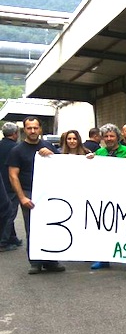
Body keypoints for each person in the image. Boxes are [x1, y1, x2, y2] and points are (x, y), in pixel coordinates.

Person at [6, 116, 67, 274]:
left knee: (51, 226)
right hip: (29, 192)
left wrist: (52, 155)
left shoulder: (49, 146)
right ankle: (35, 262)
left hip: (49, 192)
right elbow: (13, 175)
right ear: (24, 130)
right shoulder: (17, 150)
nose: (32, 131)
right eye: (29, 128)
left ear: (40, 129)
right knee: (32, 228)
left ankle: (51, 261)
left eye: (35, 128)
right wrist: (22, 197)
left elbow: (62, 165)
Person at [86, 123, 126, 270]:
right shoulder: (99, 153)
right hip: (104, 195)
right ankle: (104, 258)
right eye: (106, 136)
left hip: (124, 194)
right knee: (104, 227)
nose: (109, 138)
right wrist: (89, 161)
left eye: (112, 136)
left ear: (117, 137)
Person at [0, 122, 23, 252]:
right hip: (11, 184)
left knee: (6, 210)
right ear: (15, 134)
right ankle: (3, 241)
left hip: (1, 183)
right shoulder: (16, 148)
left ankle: (12, 237)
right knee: (10, 212)